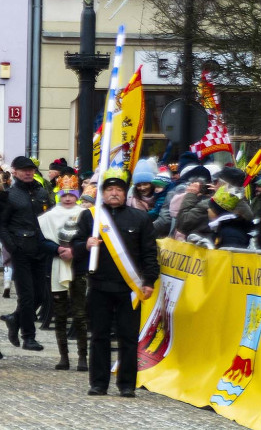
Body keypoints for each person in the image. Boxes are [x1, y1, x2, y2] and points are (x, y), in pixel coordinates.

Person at [72, 168, 158, 398]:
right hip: (99, 286)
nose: (114, 193)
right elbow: (75, 246)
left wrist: (149, 281)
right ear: (102, 192)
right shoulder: (91, 217)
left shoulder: (140, 217)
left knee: (128, 338)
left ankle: (127, 384)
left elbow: (150, 253)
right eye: (109, 189)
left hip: (129, 289)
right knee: (99, 336)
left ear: (125, 193)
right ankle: (98, 383)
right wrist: (85, 245)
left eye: (118, 189)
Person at [0, 155, 49, 352]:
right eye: (24, 169)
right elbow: (1, 226)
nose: (28, 172)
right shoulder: (10, 194)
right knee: (26, 296)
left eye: (31, 169)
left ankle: (15, 318)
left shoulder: (42, 192)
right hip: (21, 251)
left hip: (41, 249)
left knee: (41, 295)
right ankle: (28, 336)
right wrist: (12, 247)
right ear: (15, 171)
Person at [39, 175, 88, 371]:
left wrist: (75, 251)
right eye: (64, 195)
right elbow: (42, 239)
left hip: (78, 265)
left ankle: (82, 356)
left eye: (71, 194)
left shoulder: (85, 214)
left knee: (80, 312)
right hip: (57, 264)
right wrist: (58, 249)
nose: (68, 198)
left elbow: (91, 238)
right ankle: (63, 356)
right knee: (59, 312)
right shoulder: (49, 216)